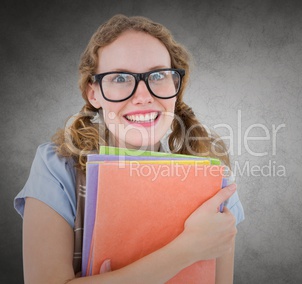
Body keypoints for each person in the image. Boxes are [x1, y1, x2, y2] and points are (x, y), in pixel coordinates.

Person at [14, 14, 244, 283]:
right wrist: (187, 250)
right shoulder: (57, 168)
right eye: (120, 78)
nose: (143, 96)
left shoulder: (214, 183)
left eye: (158, 75)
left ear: (175, 86)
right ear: (93, 93)